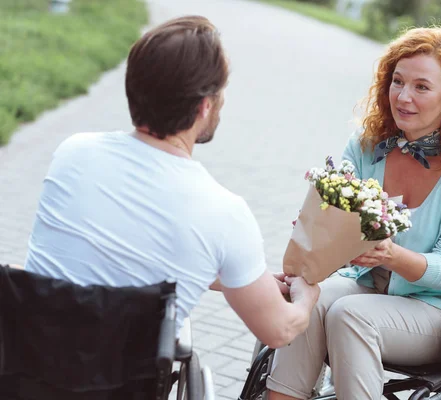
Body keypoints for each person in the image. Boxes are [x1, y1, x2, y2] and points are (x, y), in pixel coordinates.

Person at [23, 15, 320, 349]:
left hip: (24, 368)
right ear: (205, 106)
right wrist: (307, 299)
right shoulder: (224, 213)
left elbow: (126, 252)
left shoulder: (73, 153)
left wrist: (245, 279)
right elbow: (277, 331)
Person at [266, 26, 441, 399]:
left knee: (350, 315)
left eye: (422, 87)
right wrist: (318, 237)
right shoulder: (367, 145)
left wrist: (392, 256)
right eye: (397, 81)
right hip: (365, 283)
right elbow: (336, 226)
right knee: (306, 299)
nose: (403, 97)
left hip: (436, 308)